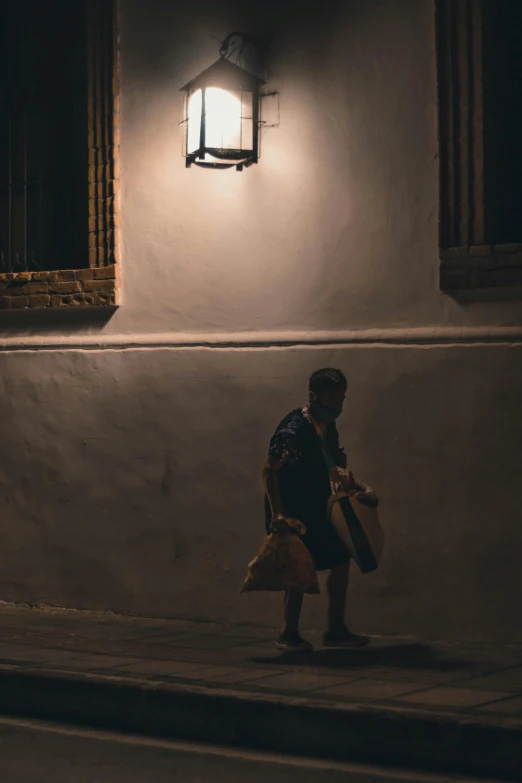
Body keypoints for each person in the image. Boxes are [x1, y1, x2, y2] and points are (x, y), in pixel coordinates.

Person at [263, 367, 371, 652]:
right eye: (332, 399)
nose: (337, 406)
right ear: (314, 396)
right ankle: (288, 633)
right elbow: (269, 471)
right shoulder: (294, 431)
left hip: (318, 505)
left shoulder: (326, 426)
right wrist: (278, 514)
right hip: (293, 509)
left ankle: (335, 630)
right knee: (299, 569)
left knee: (340, 559)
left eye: (341, 400)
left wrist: (340, 467)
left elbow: (327, 464)